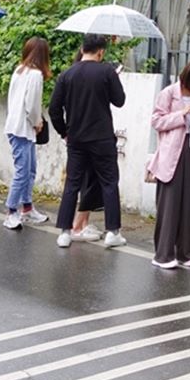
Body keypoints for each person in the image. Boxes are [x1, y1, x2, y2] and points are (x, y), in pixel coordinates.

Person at [50, 34, 127, 249]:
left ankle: (65, 232)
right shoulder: (107, 72)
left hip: (76, 138)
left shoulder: (66, 75)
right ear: (101, 51)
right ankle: (113, 232)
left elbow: (54, 109)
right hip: (102, 137)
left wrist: (64, 132)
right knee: (109, 182)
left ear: (82, 48)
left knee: (72, 183)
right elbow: (119, 101)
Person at [148, 60, 190, 269]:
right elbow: (156, 121)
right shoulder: (168, 92)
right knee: (170, 203)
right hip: (171, 152)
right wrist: (181, 114)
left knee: (187, 202)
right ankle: (163, 254)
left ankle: (185, 252)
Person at [3, 37, 52, 230]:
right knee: (24, 172)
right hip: (24, 128)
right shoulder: (35, 75)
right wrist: (37, 122)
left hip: (15, 126)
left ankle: (27, 207)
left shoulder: (19, 71)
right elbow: (31, 105)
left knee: (28, 170)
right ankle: (11, 211)